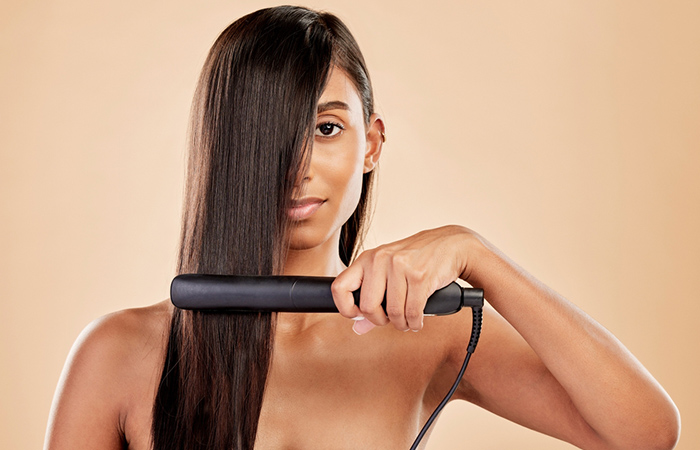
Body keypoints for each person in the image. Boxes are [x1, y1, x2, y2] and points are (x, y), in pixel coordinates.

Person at [44, 6, 680, 450]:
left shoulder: (429, 331)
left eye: (326, 129)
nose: (298, 167)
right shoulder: (118, 354)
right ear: (221, 147)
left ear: (370, 144)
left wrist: (475, 253)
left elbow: (645, 433)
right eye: (263, 134)